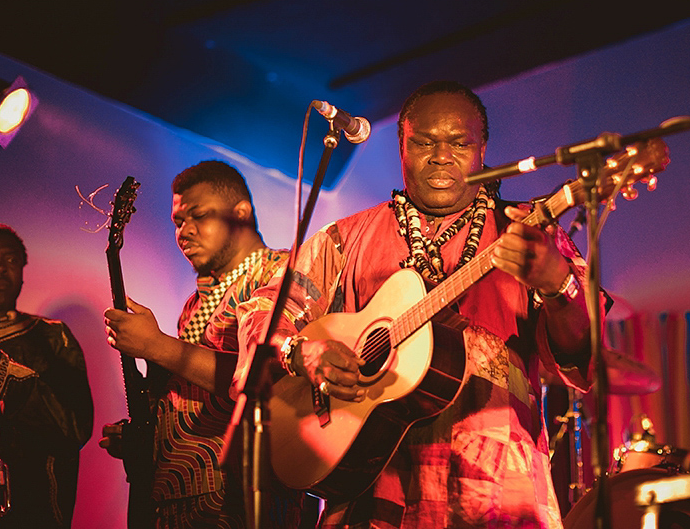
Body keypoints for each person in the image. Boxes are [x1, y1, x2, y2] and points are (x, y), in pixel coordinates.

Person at [270, 81, 594, 527]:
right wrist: (302, 351)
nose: (441, 156)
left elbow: (584, 362)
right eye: (423, 142)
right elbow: (266, 318)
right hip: (371, 485)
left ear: (483, 151)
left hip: (496, 491)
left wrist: (559, 287)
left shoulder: (532, 233)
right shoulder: (340, 240)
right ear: (401, 146)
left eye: (460, 143)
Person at [100, 160, 306, 528]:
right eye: (178, 222)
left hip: (240, 498)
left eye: (199, 216)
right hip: (176, 501)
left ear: (241, 214)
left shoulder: (280, 272)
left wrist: (158, 346)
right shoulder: (195, 304)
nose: (184, 232)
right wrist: (145, 437)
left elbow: (268, 378)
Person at [0, 222, 94, 527]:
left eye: (10, 260)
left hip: (27, 512)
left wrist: (5, 374)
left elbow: (74, 428)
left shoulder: (52, 336)